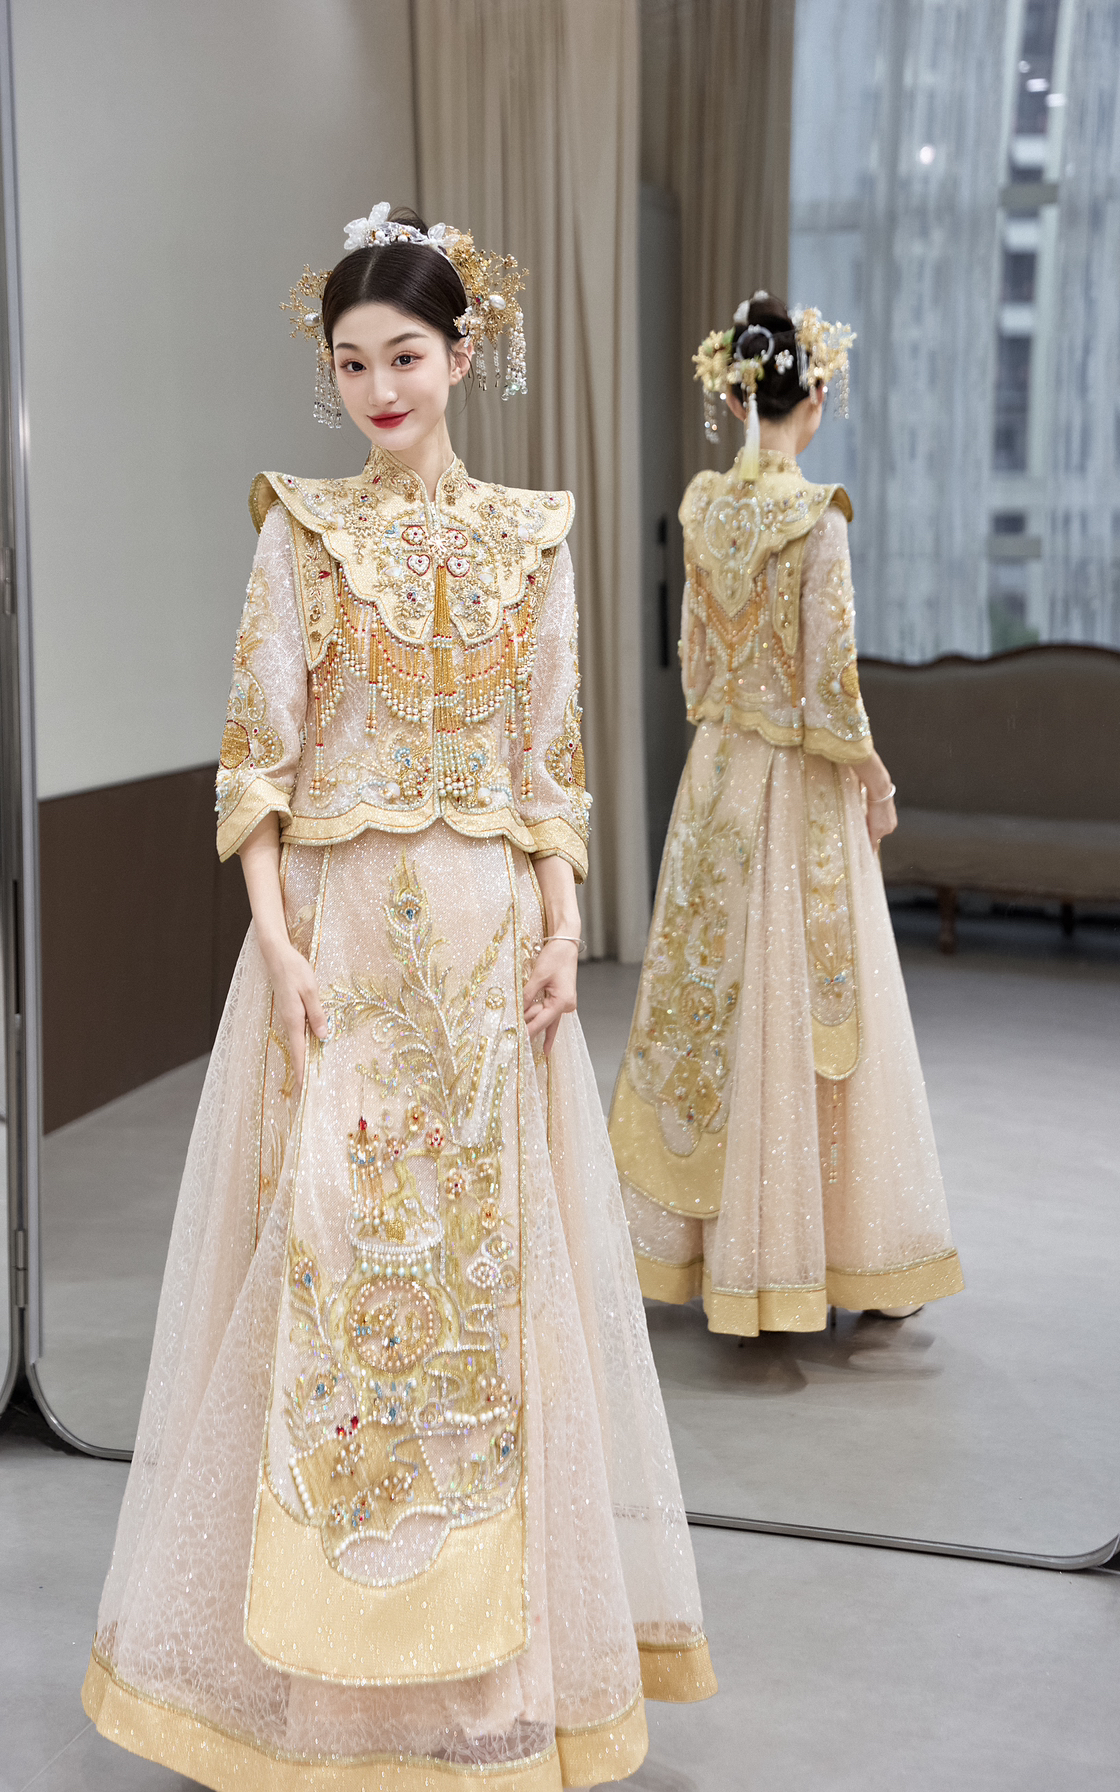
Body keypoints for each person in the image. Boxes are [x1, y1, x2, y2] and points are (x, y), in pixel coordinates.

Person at [82, 203, 714, 1790]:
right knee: (334, 1263)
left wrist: (566, 924)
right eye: (352, 362)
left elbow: (550, 763)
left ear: (464, 355)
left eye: (406, 357)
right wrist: (281, 944)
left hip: (492, 955)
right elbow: (257, 759)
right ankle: (318, 1679)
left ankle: (484, 1676)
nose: (378, 388)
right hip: (341, 945)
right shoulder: (300, 531)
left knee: (485, 1294)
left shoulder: (534, 539)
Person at [609, 292, 964, 1339]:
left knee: (711, 1005)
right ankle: (832, 1258)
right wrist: (876, 779)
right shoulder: (819, 517)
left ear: (733, 396)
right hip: (798, 783)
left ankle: (706, 1254)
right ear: (814, 396)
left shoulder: (700, 507)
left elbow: (696, 671)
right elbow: (831, 690)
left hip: (716, 779)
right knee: (806, 1008)